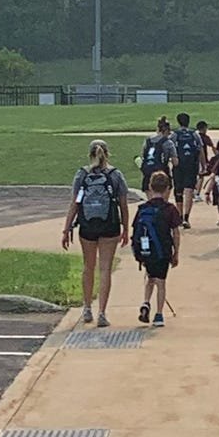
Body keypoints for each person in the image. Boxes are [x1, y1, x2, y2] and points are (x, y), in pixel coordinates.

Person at [62, 139, 130, 327]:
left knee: (88, 266)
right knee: (105, 268)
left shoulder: (82, 175)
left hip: (87, 226)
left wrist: (66, 229)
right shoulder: (116, 175)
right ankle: (102, 312)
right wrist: (126, 228)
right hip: (110, 226)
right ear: (107, 154)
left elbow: (75, 204)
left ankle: (87, 308)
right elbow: (123, 205)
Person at [132, 169, 181, 326]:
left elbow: (135, 230)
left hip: (147, 252)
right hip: (163, 251)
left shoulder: (142, 209)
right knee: (161, 282)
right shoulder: (170, 209)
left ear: (150, 188)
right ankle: (159, 314)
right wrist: (176, 253)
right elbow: (176, 233)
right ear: (168, 189)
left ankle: (146, 302)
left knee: (150, 277)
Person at [170, 111, 203, 227]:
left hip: (178, 166)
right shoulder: (194, 134)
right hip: (191, 165)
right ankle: (186, 217)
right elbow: (200, 150)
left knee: (178, 190)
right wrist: (202, 165)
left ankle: (179, 216)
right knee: (189, 190)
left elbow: (169, 149)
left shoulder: (174, 135)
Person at [139, 117, 174, 193]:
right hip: (162, 172)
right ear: (167, 130)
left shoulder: (148, 140)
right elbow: (175, 161)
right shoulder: (168, 142)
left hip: (148, 171)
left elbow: (143, 155)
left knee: (151, 201)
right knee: (163, 201)